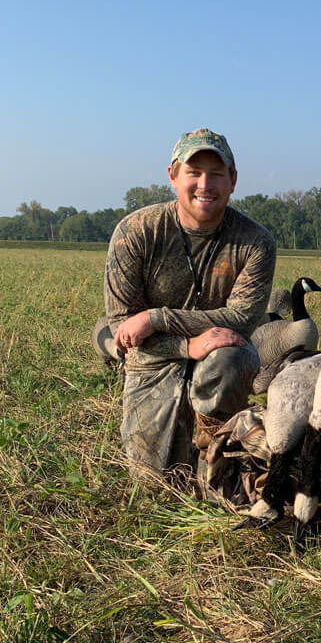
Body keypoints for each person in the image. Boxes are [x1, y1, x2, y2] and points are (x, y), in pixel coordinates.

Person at [98, 128, 276, 475]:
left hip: (218, 358)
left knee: (232, 354)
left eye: (216, 174)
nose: (205, 184)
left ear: (233, 181)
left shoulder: (255, 242)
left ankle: (216, 455)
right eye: (194, 173)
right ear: (173, 176)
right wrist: (186, 345)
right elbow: (123, 326)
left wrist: (156, 318)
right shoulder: (136, 232)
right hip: (154, 356)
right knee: (152, 478)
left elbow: (240, 318)